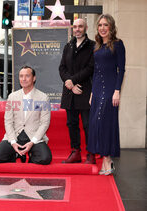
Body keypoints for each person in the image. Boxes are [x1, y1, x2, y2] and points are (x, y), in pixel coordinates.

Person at [87, 14, 126, 175]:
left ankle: (108, 161)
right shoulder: (96, 47)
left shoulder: (118, 44)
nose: (102, 28)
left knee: (105, 124)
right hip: (96, 90)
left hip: (110, 90)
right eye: (100, 25)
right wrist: (91, 92)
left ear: (111, 27)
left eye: (105, 25)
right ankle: (105, 159)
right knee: (96, 124)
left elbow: (121, 69)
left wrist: (117, 91)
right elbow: (96, 71)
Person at [0, 66, 52, 165]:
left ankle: (31, 156)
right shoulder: (12, 97)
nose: (23, 79)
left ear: (34, 78)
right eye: (21, 76)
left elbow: (44, 123)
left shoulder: (43, 97)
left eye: (27, 76)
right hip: (16, 135)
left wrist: (32, 142)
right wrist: (13, 142)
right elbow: (8, 121)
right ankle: (16, 154)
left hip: (34, 136)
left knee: (45, 158)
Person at [59, 19, 95, 164]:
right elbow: (62, 68)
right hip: (69, 92)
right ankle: (76, 152)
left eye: (80, 26)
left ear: (86, 28)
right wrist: (69, 83)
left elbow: (90, 68)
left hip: (85, 91)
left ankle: (91, 153)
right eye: (75, 27)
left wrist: (72, 81)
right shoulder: (68, 46)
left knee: (87, 124)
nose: (77, 29)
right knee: (71, 123)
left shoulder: (92, 46)